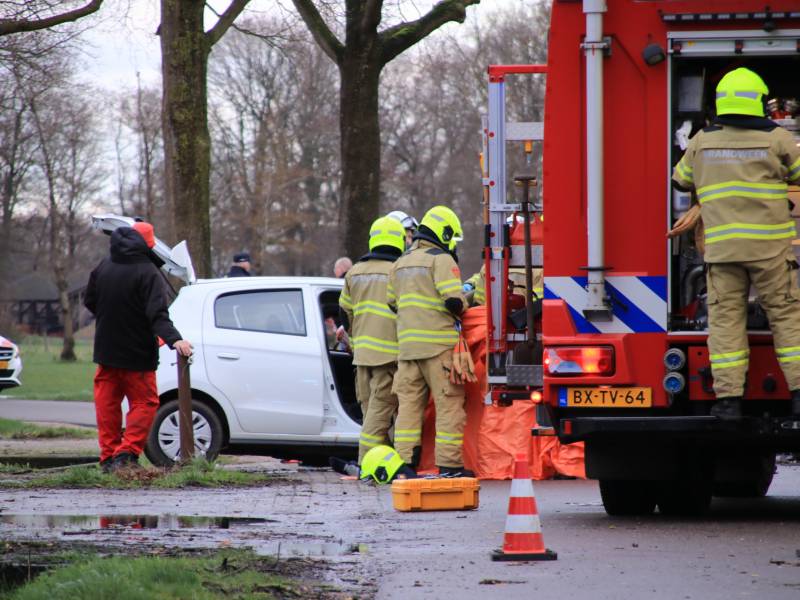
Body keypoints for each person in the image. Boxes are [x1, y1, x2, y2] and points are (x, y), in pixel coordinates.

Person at [670, 67, 800, 419]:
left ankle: (728, 403)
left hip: (723, 251)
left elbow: (679, 181)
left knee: (726, 322)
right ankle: (799, 395)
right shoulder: (778, 140)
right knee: (786, 318)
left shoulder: (700, 142)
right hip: (770, 251)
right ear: (758, 102)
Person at [84, 222, 193, 472]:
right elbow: (157, 315)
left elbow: (90, 300)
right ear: (148, 244)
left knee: (107, 403)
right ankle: (127, 453)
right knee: (144, 403)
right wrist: (175, 339)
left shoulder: (104, 265)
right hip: (137, 353)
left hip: (106, 350)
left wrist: (111, 319)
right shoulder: (148, 272)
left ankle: (108, 457)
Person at [387, 205, 472, 476]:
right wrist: (468, 298)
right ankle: (450, 467)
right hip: (438, 349)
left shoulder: (400, 262)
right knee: (449, 406)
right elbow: (453, 302)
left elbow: (392, 303)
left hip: (408, 350)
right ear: (444, 232)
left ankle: (405, 466)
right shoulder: (441, 259)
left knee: (409, 409)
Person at [339, 216, 405, 464]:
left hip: (362, 358)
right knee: (382, 419)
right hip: (390, 359)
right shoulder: (398, 272)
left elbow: (344, 313)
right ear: (399, 240)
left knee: (371, 415)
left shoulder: (354, 272)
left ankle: (382, 464)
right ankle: (368, 463)